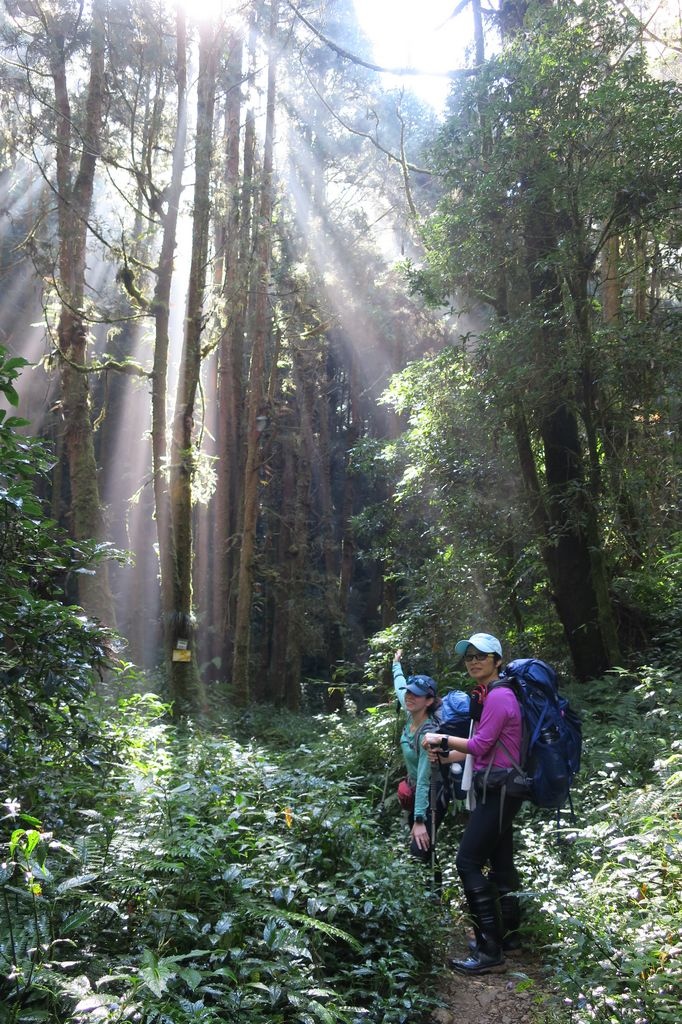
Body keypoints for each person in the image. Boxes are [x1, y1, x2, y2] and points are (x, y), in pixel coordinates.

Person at [423, 632, 523, 975]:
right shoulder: (488, 694)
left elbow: (480, 745)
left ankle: (489, 950)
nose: (473, 661)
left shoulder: (499, 696)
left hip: (500, 790)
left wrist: (441, 737)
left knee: (466, 863)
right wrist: (446, 754)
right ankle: (506, 937)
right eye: (468, 656)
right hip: (497, 785)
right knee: (501, 862)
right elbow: (485, 749)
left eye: (481, 655)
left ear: (497, 660)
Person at [392, 649, 452, 863]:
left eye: (416, 694)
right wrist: (396, 663)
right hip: (415, 790)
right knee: (426, 852)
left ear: (428, 701)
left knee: (420, 852)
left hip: (431, 796)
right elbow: (399, 685)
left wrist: (419, 819)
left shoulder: (429, 735)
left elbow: (426, 779)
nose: (409, 696)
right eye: (409, 692)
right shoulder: (410, 711)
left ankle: (432, 894)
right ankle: (433, 894)